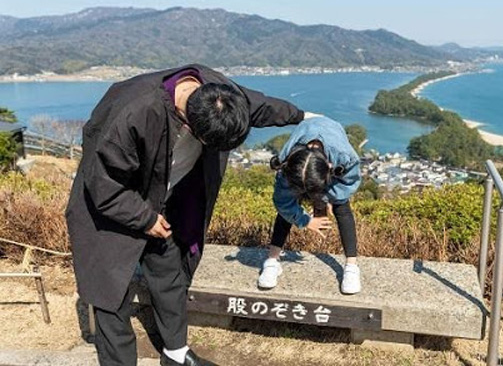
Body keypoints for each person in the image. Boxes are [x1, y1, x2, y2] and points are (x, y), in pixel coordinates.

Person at [66, 64, 309, 366]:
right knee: (111, 296)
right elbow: (102, 184)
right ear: (192, 127)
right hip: (108, 207)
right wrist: (145, 219)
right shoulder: (134, 111)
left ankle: (176, 354)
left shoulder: (218, 92)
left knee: (169, 275)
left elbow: (257, 106)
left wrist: (304, 117)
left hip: (162, 202)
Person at [258, 116, 362, 294]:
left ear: (329, 166)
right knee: (286, 211)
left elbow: (348, 185)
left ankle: (352, 267)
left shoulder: (344, 157)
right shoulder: (287, 161)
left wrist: (325, 199)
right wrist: (304, 220)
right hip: (306, 145)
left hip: (331, 138)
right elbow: (283, 201)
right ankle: (272, 260)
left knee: (342, 207)